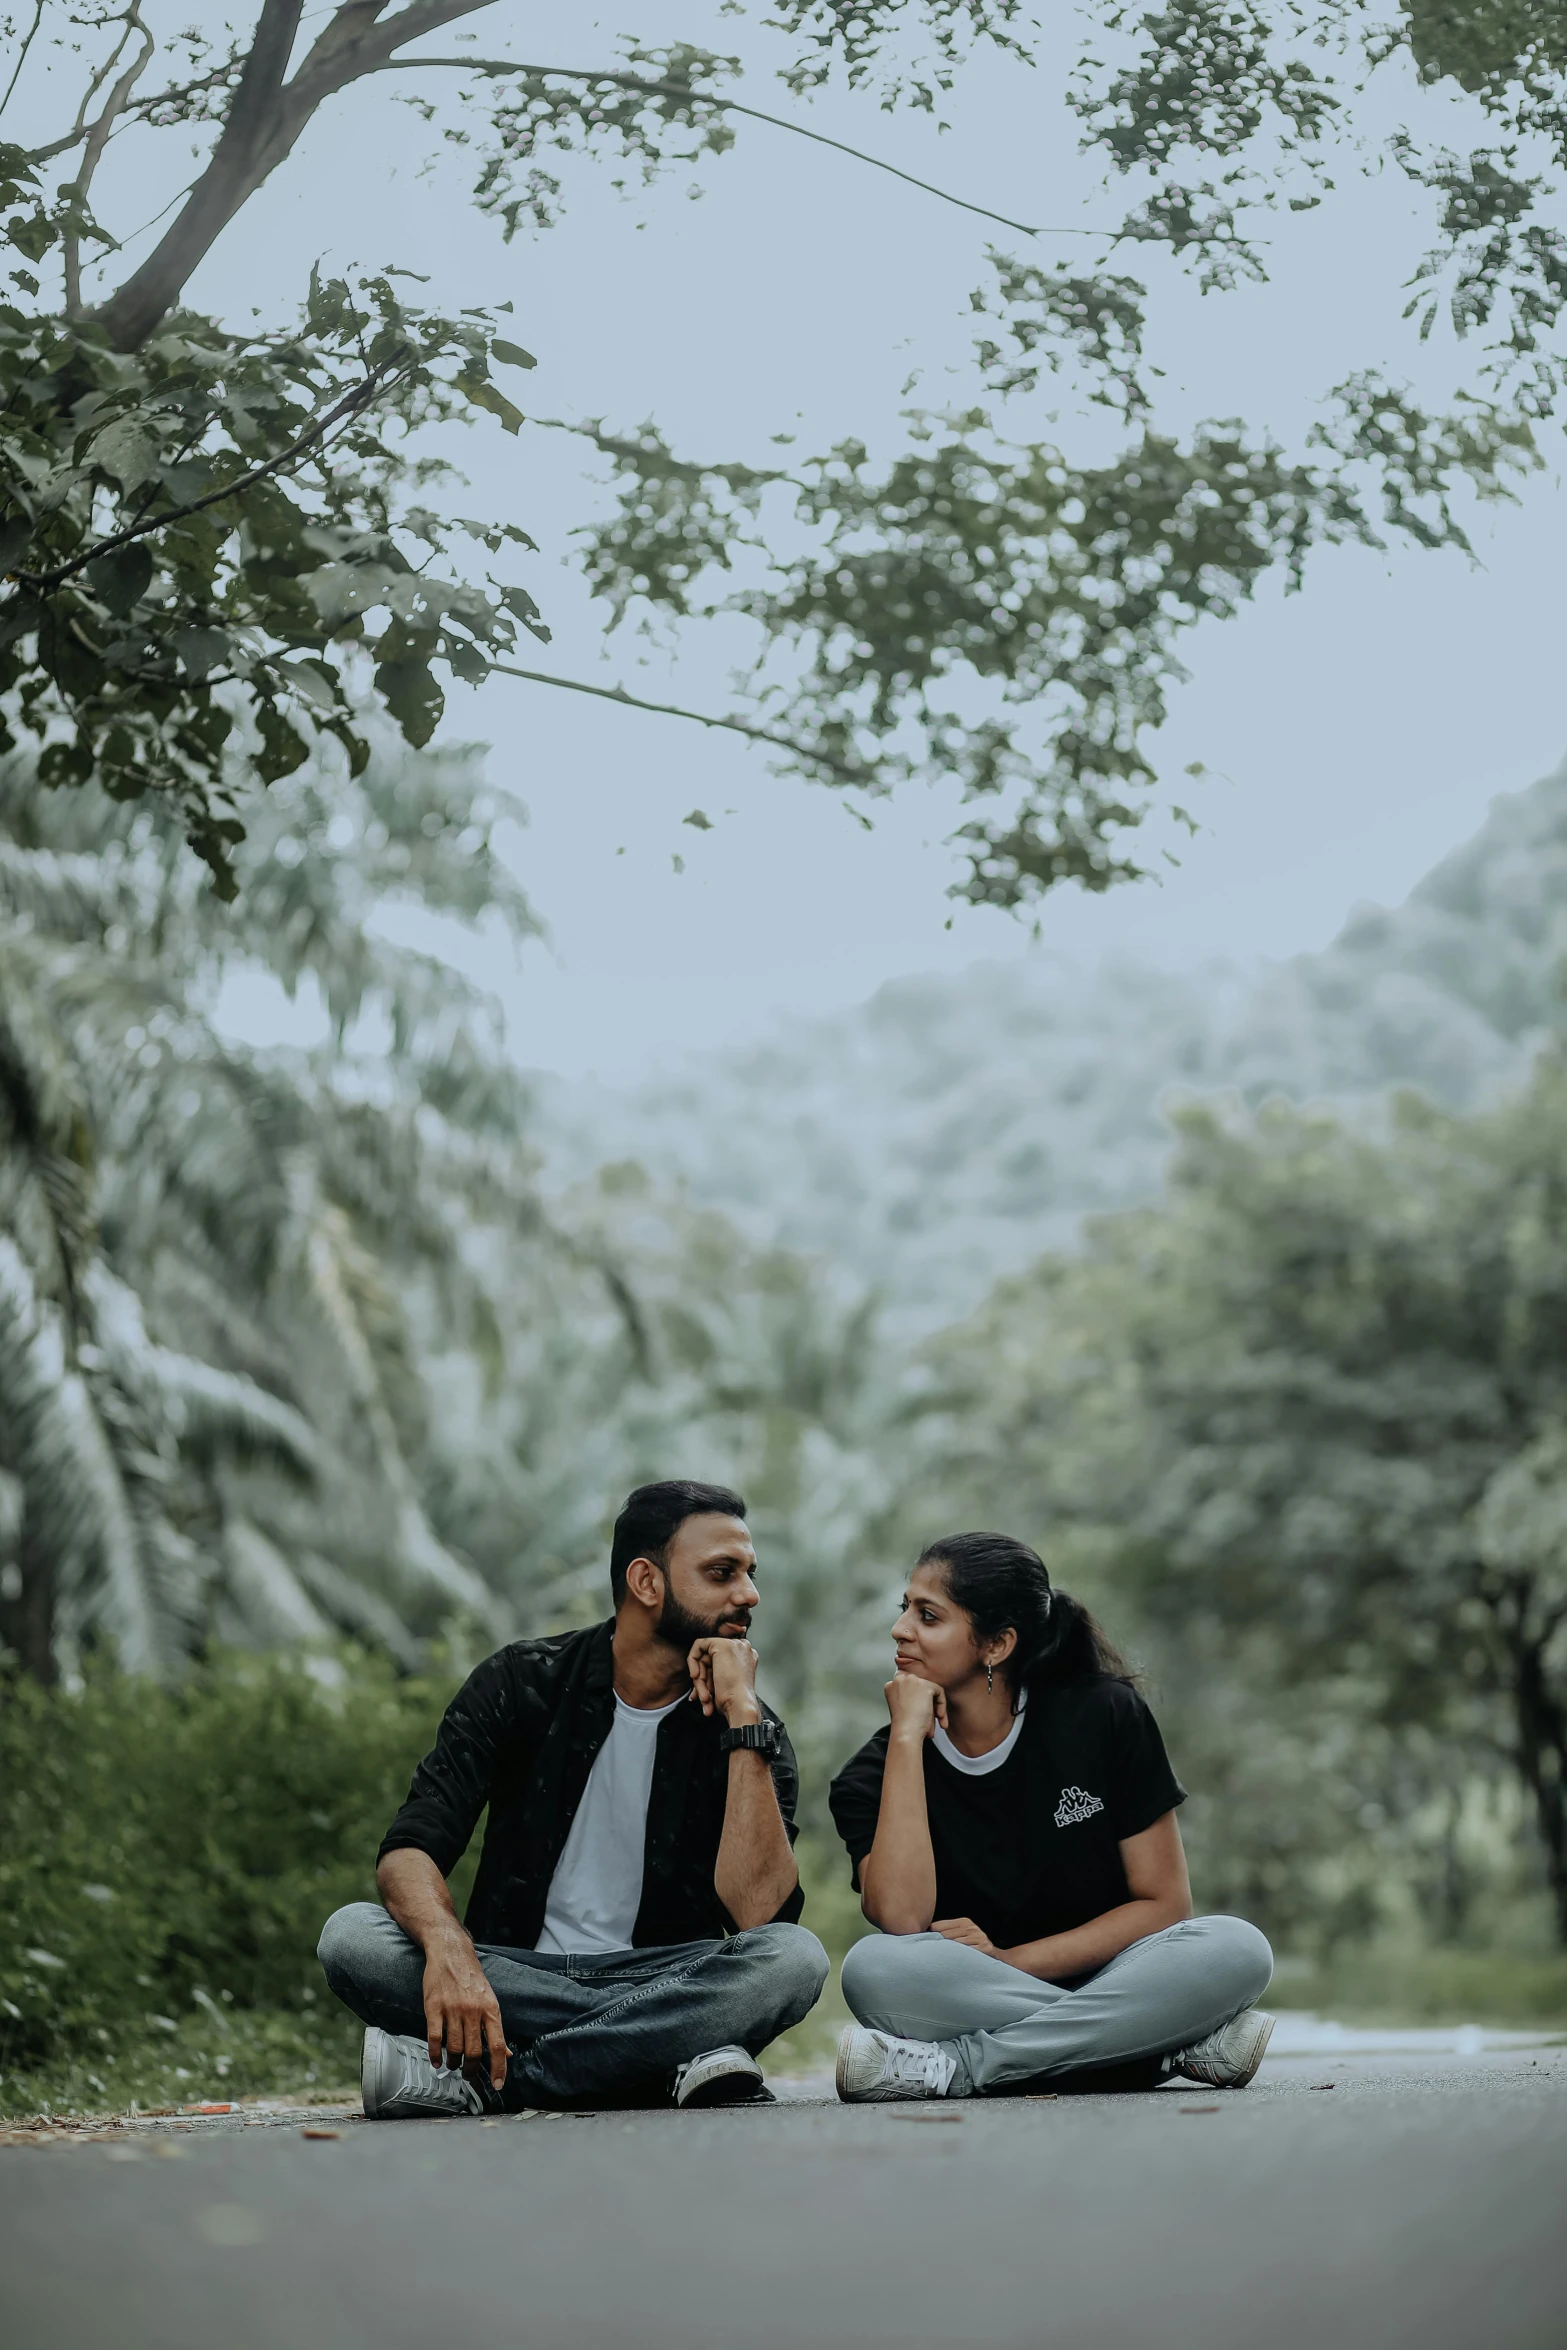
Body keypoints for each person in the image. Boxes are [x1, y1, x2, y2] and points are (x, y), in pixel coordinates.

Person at [318, 1480, 827, 2115]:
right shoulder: (522, 1681)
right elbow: (410, 1850)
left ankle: (497, 2082)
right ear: (646, 1582)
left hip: (660, 1974)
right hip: (512, 1976)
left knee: (793, 1958)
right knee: (351, 1938)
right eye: (722, 1573)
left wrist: (741, 1716)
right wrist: (452, 1954)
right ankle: (661, 2055)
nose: (749, 1594)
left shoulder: (752, 1730)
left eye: (750, 1573)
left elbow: (760, 1920)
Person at [828, 1532, 1275, 2102]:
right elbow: (900, 1917)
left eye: (928, 1615)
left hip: (1119, 1976)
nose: (901, 1628)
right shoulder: (873, 1774)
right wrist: (908, 1741)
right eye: (905, 1610)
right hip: (978, 1992)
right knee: (873, 1968)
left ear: (997, 1645)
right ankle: (1156, 2048)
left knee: (1236, 1946)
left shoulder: (1102, 1715)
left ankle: (964, 2067)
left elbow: (1163, 1903)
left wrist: (1012, 1959)